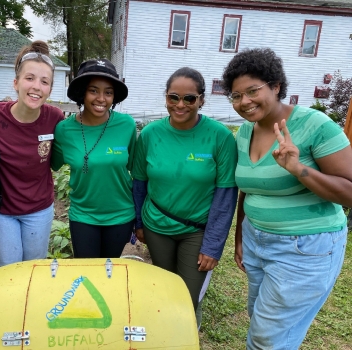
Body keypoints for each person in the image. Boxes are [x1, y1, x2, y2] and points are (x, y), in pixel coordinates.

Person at [222, 47, 352, 349]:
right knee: (259, 320)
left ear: (276, 86)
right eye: (236, 95)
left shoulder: (315, 125)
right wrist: (241, 236)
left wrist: (298, 169)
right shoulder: (245, 132)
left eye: (253, 91)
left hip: (304, 248)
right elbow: (249, 189)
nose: (245, 101)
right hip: (257, 241)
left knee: (268, 340)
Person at [132, 67, 238, 315]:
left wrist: (213, 246)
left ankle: (186, 329)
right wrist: (138, 223)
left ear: (201, 99)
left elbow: (225, 197)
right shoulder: (149, 134)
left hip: (196, 231)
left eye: (189, 98)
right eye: (173, 97)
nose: (180, 104)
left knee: (186, 300)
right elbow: (139, 184)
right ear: (166, 98)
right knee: (164, 287)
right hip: (156, 225)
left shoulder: (220, 137)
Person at [0, 41, 63, 268]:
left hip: (39, 208)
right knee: (8, 268)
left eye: (44, 82)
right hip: (2, 210)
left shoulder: (55, 118)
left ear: (50, 90)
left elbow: (60, 157)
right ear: (16, 83)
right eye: (30, 78)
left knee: (34, 268)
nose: (36, 86)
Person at [51, 59, 136, 258]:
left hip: (121, 215)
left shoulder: (127, 125)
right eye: (93, 90)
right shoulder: (64, 129)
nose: (101, 98)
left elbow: (136, 170)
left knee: (109, 270)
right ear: (82, 92)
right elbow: (50, 162)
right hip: (83, 215)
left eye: (108, 92)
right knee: (87, 272)